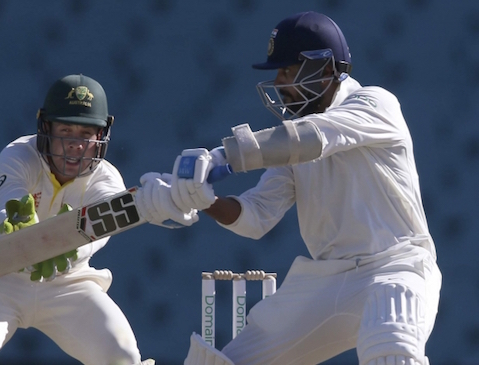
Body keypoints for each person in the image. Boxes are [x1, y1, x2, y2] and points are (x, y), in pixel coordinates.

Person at [143, 11, 442, 365]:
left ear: (325, 68)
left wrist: (224, 156)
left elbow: (316, 137)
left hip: (396, 268)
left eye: (288, 71)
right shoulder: (291, 138)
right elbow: (256, 216)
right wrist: (203, 198)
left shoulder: (374, 104)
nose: (281, 82)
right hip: (327, 281)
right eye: (278, 72)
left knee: (391, 354)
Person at [0, 74, 189, 365]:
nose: (75, 144)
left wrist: (63, 248)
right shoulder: (19, 154)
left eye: (86, 134)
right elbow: (7, 205)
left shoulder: (106, 179)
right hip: (1, 275)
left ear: (101, 137)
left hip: (68, 284)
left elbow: (100, 227)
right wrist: (21, 226)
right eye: (66, 130)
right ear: (46, 128)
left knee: (123, 358)